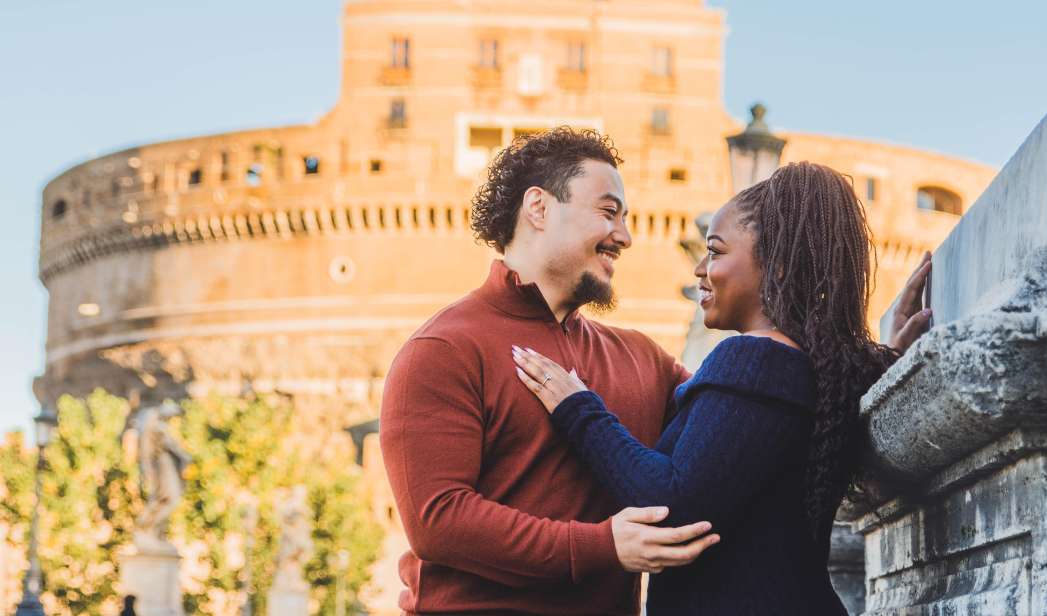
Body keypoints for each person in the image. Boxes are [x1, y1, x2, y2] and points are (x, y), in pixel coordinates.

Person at [513, 161, 931, 615]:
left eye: (715, 251)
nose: (699, 268)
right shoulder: (815, 369)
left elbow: (671, 507)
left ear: (777, 266)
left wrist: (579, 409)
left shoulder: (754, 360)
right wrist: (884, 358)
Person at [380, 128, 720, 616]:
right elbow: (439, 520)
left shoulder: (644, 360)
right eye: (608, 213)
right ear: (538, 208)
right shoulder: (442, 349)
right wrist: (604, 546)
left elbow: (729, 425)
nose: (624, 237)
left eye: (625, 219)